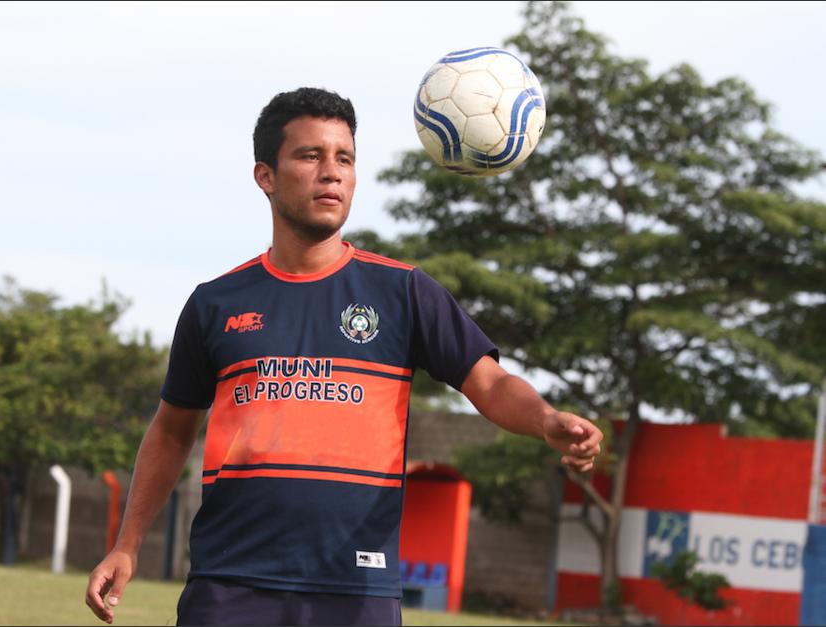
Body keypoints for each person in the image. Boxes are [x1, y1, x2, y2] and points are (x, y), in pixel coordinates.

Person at [85, 87, 602, 626]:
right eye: (310, 156)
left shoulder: (403, 292)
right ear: (266, 175)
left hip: (357, 586)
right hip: (231, 581)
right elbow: (171, 431)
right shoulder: (216, 303)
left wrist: (545, 419)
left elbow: (490, 385)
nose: (331, 172)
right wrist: (128, 543)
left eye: (345, 158)